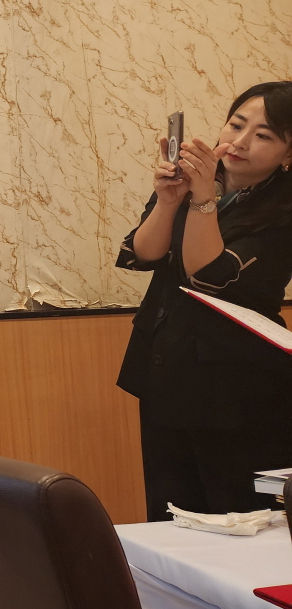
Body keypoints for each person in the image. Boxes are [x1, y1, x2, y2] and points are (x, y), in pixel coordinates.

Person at [117, 81, 292, 521]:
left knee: (238, 513)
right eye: (236, 124)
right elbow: (143, 254)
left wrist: (202, 201)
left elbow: (206, 275)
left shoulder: (284, 208)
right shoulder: (195, 178)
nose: (240, 141)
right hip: (165, 365)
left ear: (288, 154)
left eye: (264, 135)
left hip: (238, 383)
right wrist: (168, 200)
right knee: (170, 510)